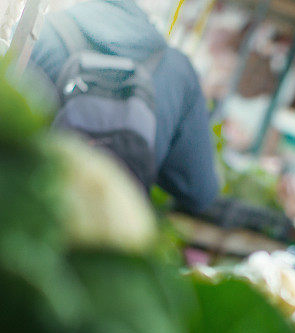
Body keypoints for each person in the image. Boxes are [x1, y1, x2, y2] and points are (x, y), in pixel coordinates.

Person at [28, 0, 219, 214]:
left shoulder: (42, 34)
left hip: (35, 219)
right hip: (112, 234)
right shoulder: (178, 70)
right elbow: (199, 191)